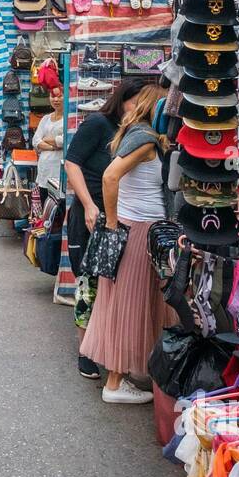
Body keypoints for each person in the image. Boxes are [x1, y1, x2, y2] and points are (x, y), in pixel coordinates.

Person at [79, 82, 174, 404]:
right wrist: (112, 220)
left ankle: (126, 375)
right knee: (129, 304)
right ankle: (116, 383)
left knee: (130, 302)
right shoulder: (146, 140)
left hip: (140, 228)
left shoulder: (137, 135)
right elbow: (109, 176)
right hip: (138, 230)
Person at [63, 78, 152, 380]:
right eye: (134, 102)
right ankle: (85, 351)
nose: (138, 109)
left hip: (120, 216)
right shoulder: (99, 123)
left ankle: (105, 346)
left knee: (110, 285)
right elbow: (71, 164)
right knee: (89, 282)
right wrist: (88, 204)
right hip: (92, 213)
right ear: (122, 99)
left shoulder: (136, 132)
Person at [32, 88, 66, 197]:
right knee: (45, 206)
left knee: (58, 206)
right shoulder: (46, 118)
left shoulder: (68, 119)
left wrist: (46, 139)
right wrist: (53, 147)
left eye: (59, 96)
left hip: (59, 170)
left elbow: (65, 140)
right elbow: (35, 141)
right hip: (44, 169)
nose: (56, 100)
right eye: (53, 96)